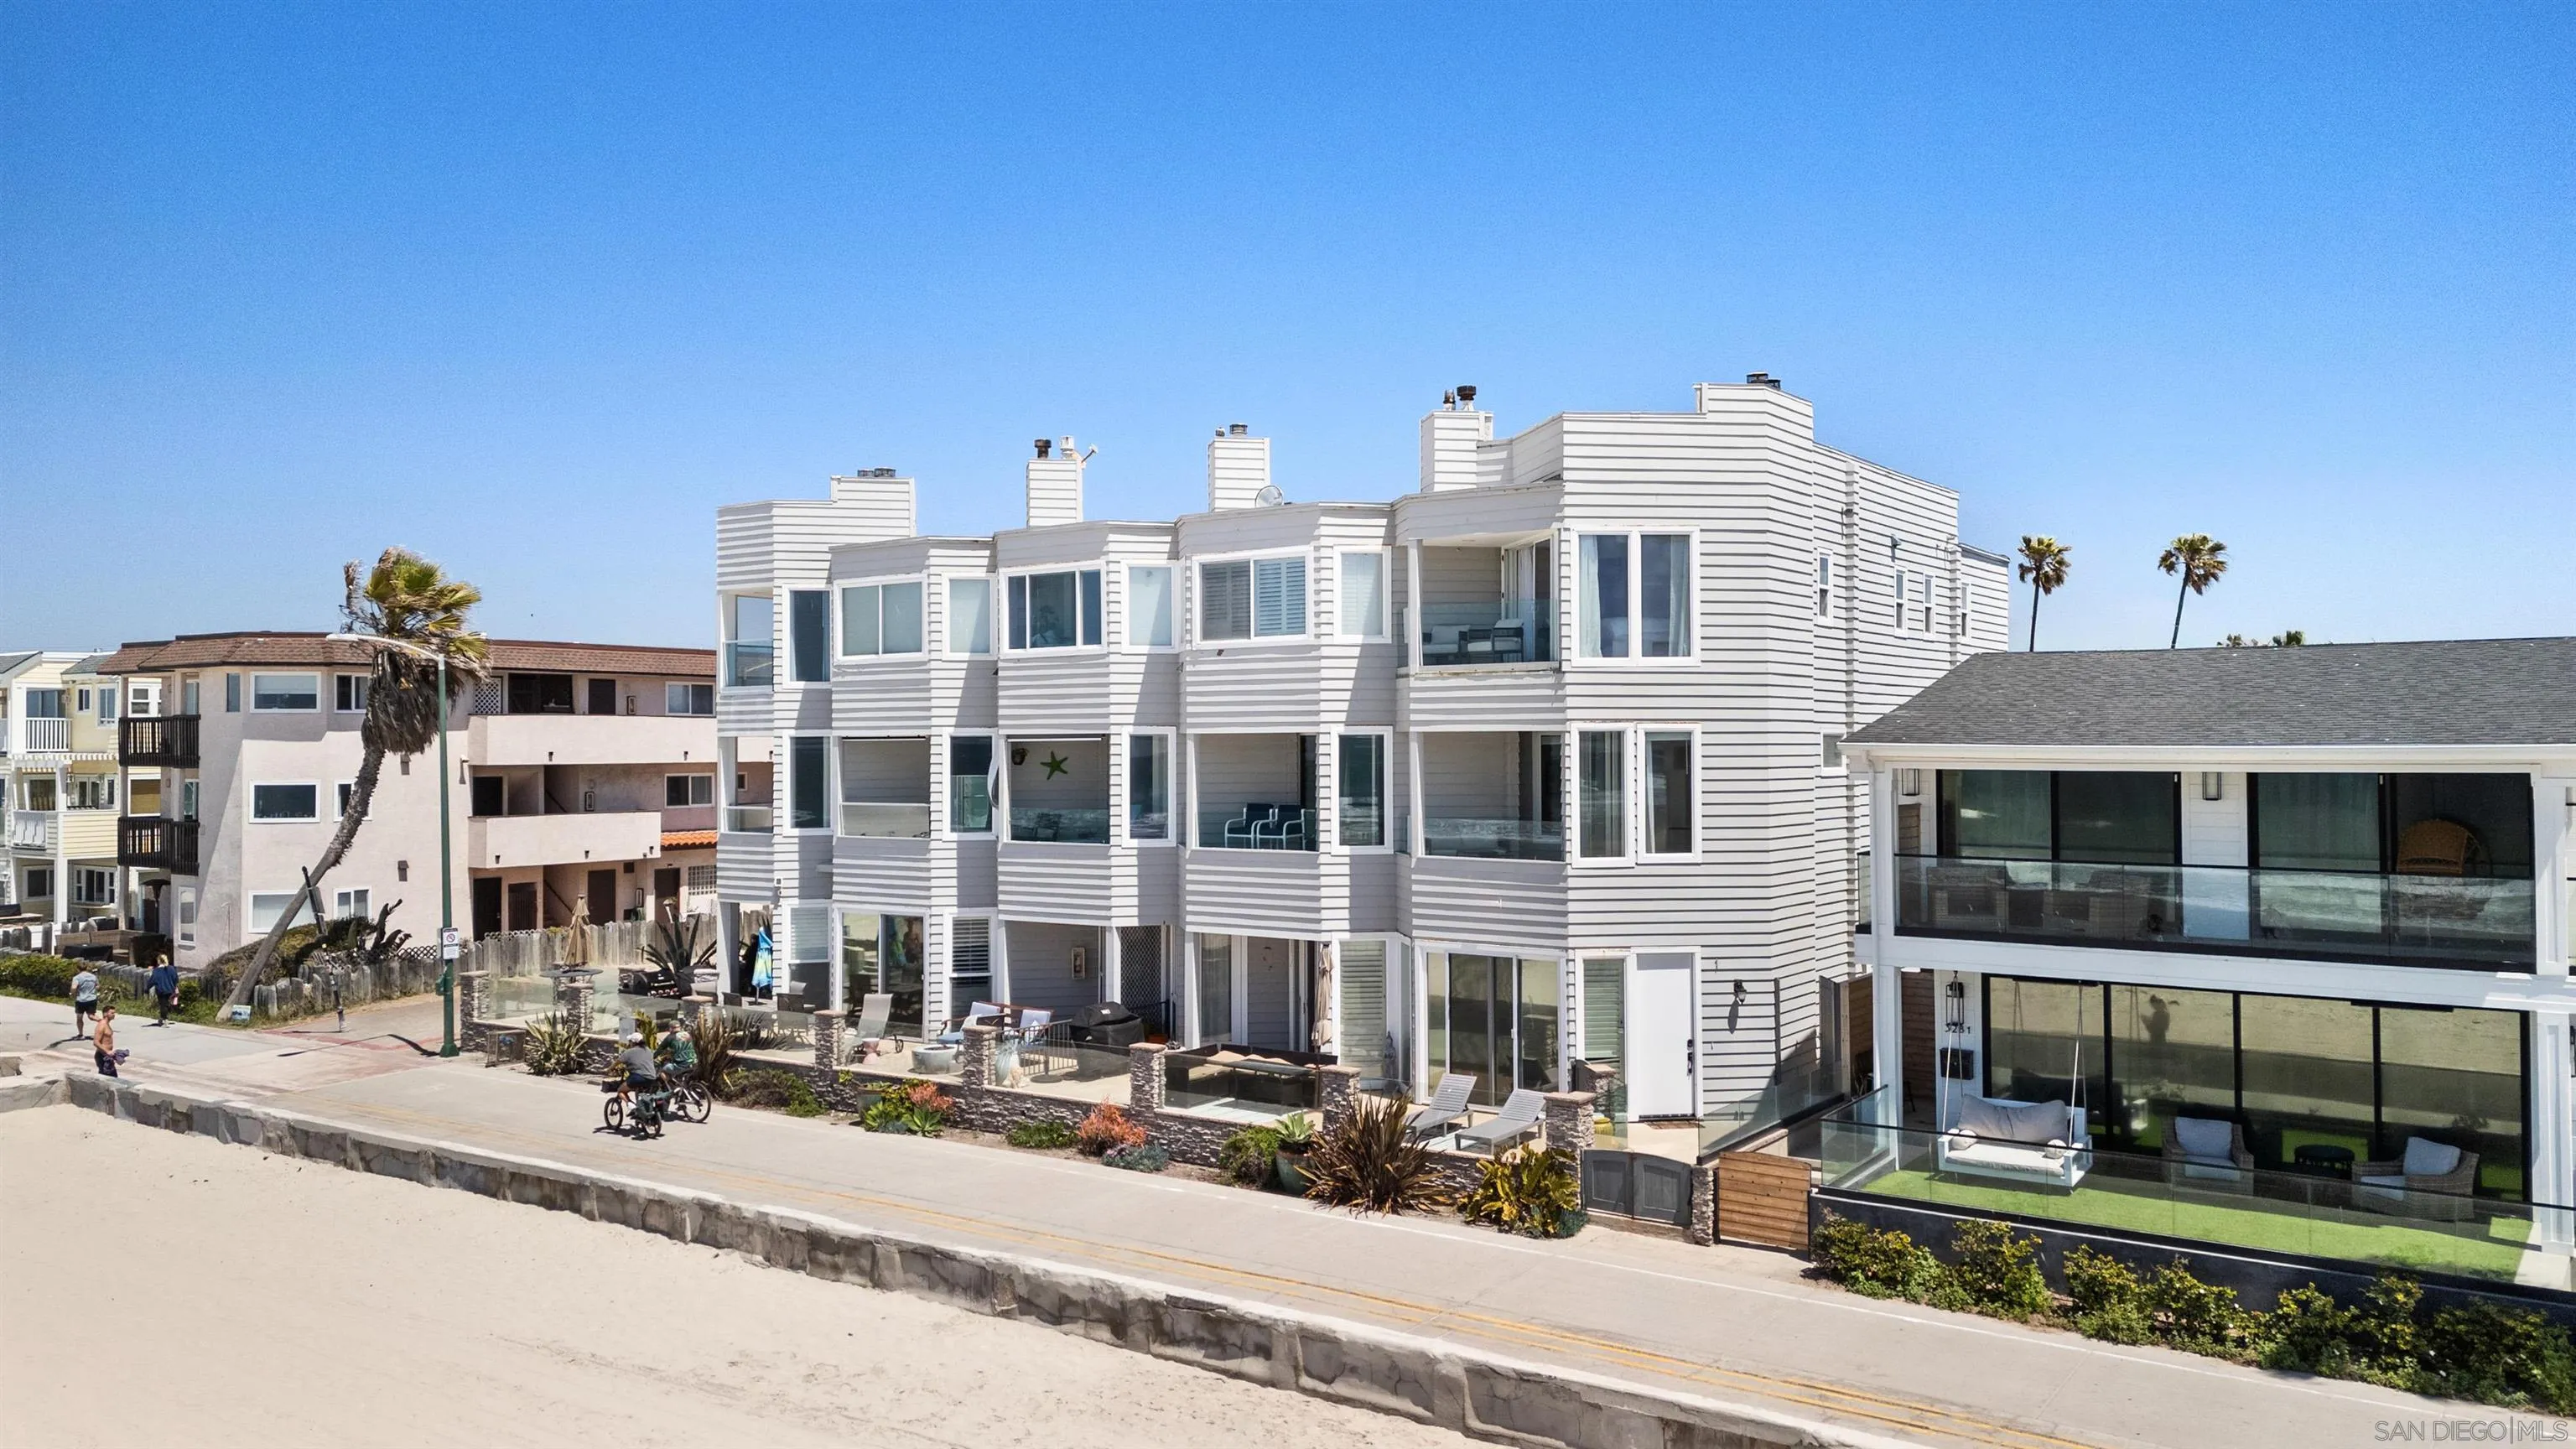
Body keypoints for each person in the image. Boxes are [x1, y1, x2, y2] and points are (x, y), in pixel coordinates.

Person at [615, 1031, 666, 1117]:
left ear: (633, 1042)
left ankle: (632, 1107)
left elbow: (618, 1062)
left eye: (630, 1041)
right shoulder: (649, 1050)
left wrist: (609, 1069)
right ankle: (641, 1112)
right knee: (641, 1092)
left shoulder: (629, 1052)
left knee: (620, 1091)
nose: (629, 1043)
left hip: (638, 1078)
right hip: (652, 1078)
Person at [656, 1018, 697, 1082]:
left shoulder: (670, 1037)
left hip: (681, 1065)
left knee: (662, 1070)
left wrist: (653, 1057)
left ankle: (672, 1089)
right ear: (680, 1027)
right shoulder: (688, 1035)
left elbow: (660, 1049)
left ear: (670, 1028)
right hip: (694, 1062)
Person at [70, 966, 100, 1040]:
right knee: (91, 1016)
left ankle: (81, 1034)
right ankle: (102, 1022)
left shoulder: (77, 977)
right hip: (92, 998)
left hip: (81, 1000)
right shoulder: (93, 977)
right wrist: (92, 990)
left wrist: (72, 993)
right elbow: (98, 986)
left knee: (79, 1017)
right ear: (86, 968)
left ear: (78, 969)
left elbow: (74, 987)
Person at [147, 960, 180, 1027]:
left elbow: (152, 981)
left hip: (161, 990)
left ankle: (165, 1020)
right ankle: (162, 1018)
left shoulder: (157, 971)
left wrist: (147, 989)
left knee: (163, 1005)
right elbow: (176, 979)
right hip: (170, 990)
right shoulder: (171, 969)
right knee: (166, 1005)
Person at [92, 1003, 121, 1078]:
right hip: (102, 1056)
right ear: (105, 1014)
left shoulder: (107, 1024)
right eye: (112, 1013)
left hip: (108, 1056)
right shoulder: (102, 1025)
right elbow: (96, 1042)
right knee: (108, 1078)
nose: (114, 1014)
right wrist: (107, 1051)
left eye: (114, 1013)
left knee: (111, 1077)